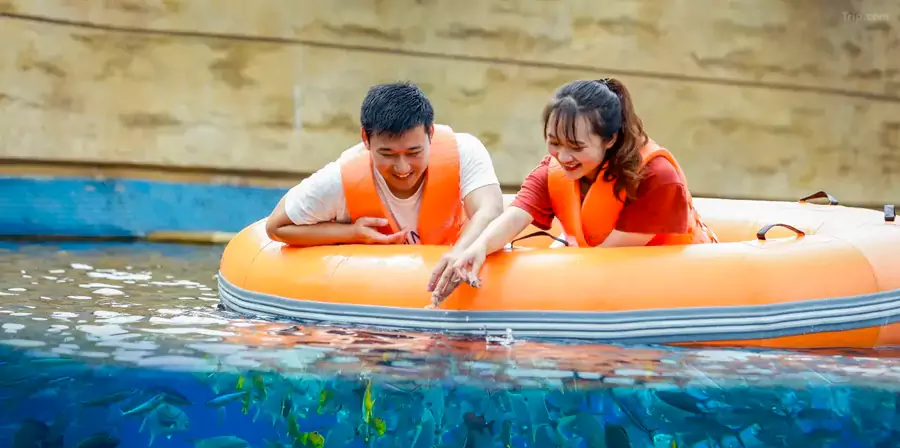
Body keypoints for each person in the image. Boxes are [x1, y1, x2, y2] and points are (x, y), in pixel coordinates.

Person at [429, 77, 718, 305]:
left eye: (576, 147)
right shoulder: (554, 170)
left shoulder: (656, 177)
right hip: (602, 274)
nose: (563, 156)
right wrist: (477, 248)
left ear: (610, 139)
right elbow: (514, 217)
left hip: (674, 283)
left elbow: (610, 260)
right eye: (554, 142)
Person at [264, 81, 504, 291]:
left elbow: (491, 209)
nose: (402, 168)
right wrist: (351, 233)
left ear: (430, 133)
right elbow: (276, 226)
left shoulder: (463, 151)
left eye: (414, 152)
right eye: (387, 154)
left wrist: (459, 253)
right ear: (366, 139)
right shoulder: (339, 178)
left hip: (454, 253)